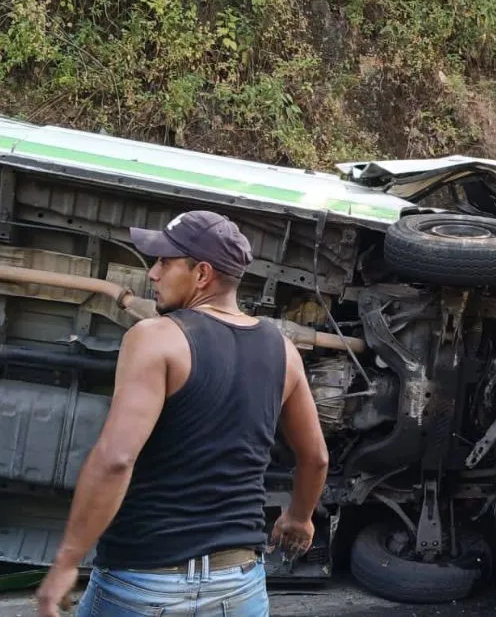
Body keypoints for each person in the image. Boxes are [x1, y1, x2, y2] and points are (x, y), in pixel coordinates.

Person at [34, 210, 330, 616]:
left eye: (164, 262)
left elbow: (116, 459)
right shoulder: (284, 351)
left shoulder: (155, 338)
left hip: (143, 581)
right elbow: (316, 457)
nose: (153, 274)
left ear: (202, 273)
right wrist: (299, 517)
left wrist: (67, 562)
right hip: (238, 584)